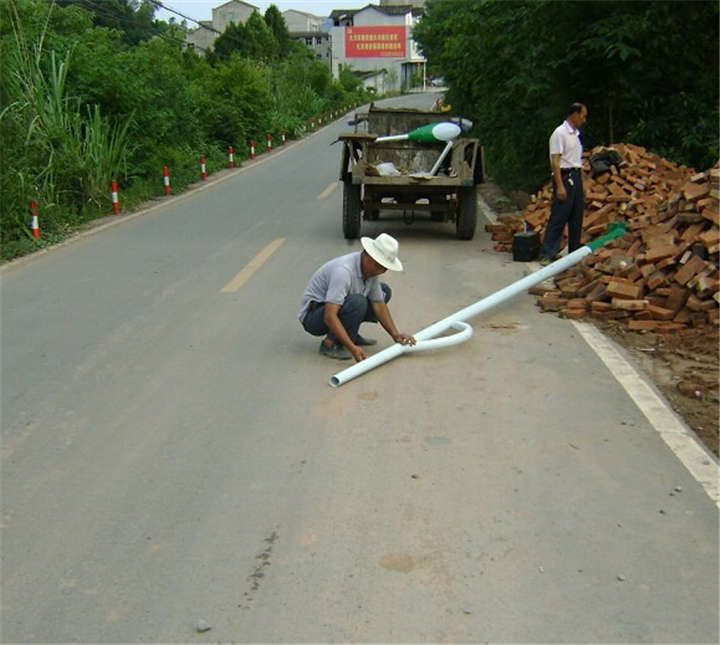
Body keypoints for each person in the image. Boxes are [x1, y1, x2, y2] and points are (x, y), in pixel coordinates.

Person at [298, 233, 416, 362]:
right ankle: (330, 343)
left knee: (384, 291)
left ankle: (350, 333)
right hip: (314, 317)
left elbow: (379, 305)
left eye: (384, 269)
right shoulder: (343, 272)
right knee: (358, 302)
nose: (380, 271)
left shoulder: (371, 271)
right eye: (378, 266)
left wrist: (396, 335)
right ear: (367, 256)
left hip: (336, 308)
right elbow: (329, 316)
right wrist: (352, 347)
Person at [540, 102, 588, 265]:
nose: (583, 119)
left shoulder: (575, 134)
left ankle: (573, 253)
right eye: (582, 115)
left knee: (576, 217)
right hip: (565, 177)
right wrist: (560, 185)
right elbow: (555, 161)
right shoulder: (559, 133)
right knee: (559, 216)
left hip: (576, 175)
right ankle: (547, 253)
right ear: (574, 114)